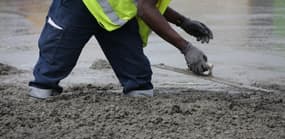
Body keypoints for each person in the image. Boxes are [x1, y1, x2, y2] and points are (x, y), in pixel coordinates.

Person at [28, 0, 213, 99]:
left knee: (139, 82)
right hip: (79, 5)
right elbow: (145, 9)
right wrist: (186, 48)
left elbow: (145, 2)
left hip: (115, 14)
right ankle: (40, 96)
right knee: (50, 70)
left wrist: (183, 22)